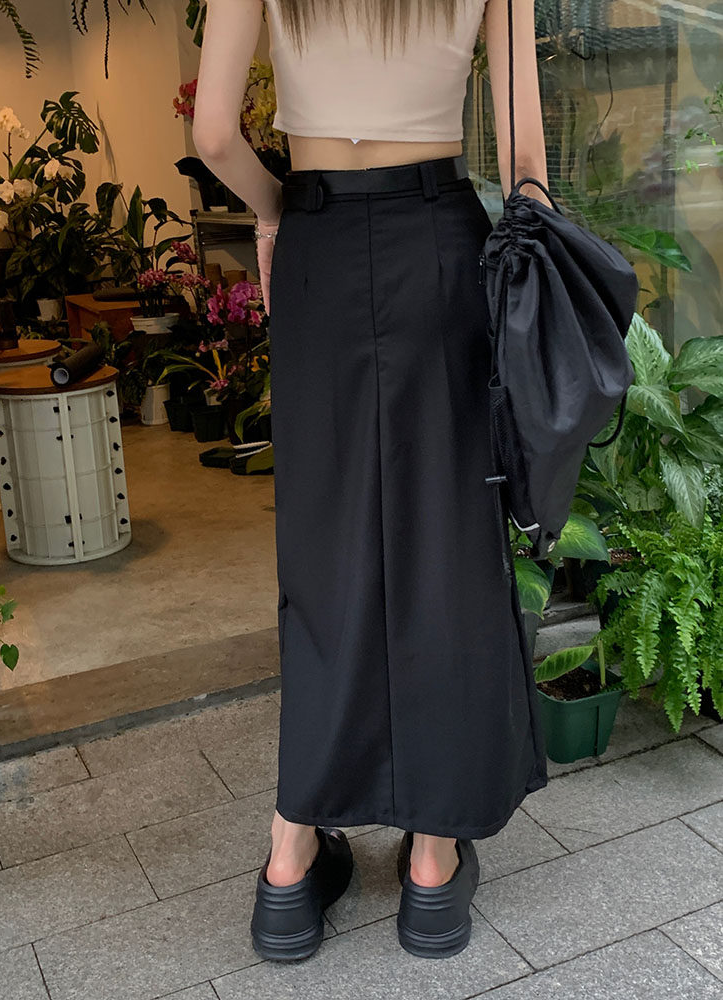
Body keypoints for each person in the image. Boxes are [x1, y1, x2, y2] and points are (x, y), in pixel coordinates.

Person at [193, 0, 550, 962]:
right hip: (439, 242)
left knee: (324, 555)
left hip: (316, 249)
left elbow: (213, 132)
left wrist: (275, 210)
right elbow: (526, 162)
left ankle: (289, 864)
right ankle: (432, 868)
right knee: (448, 547)